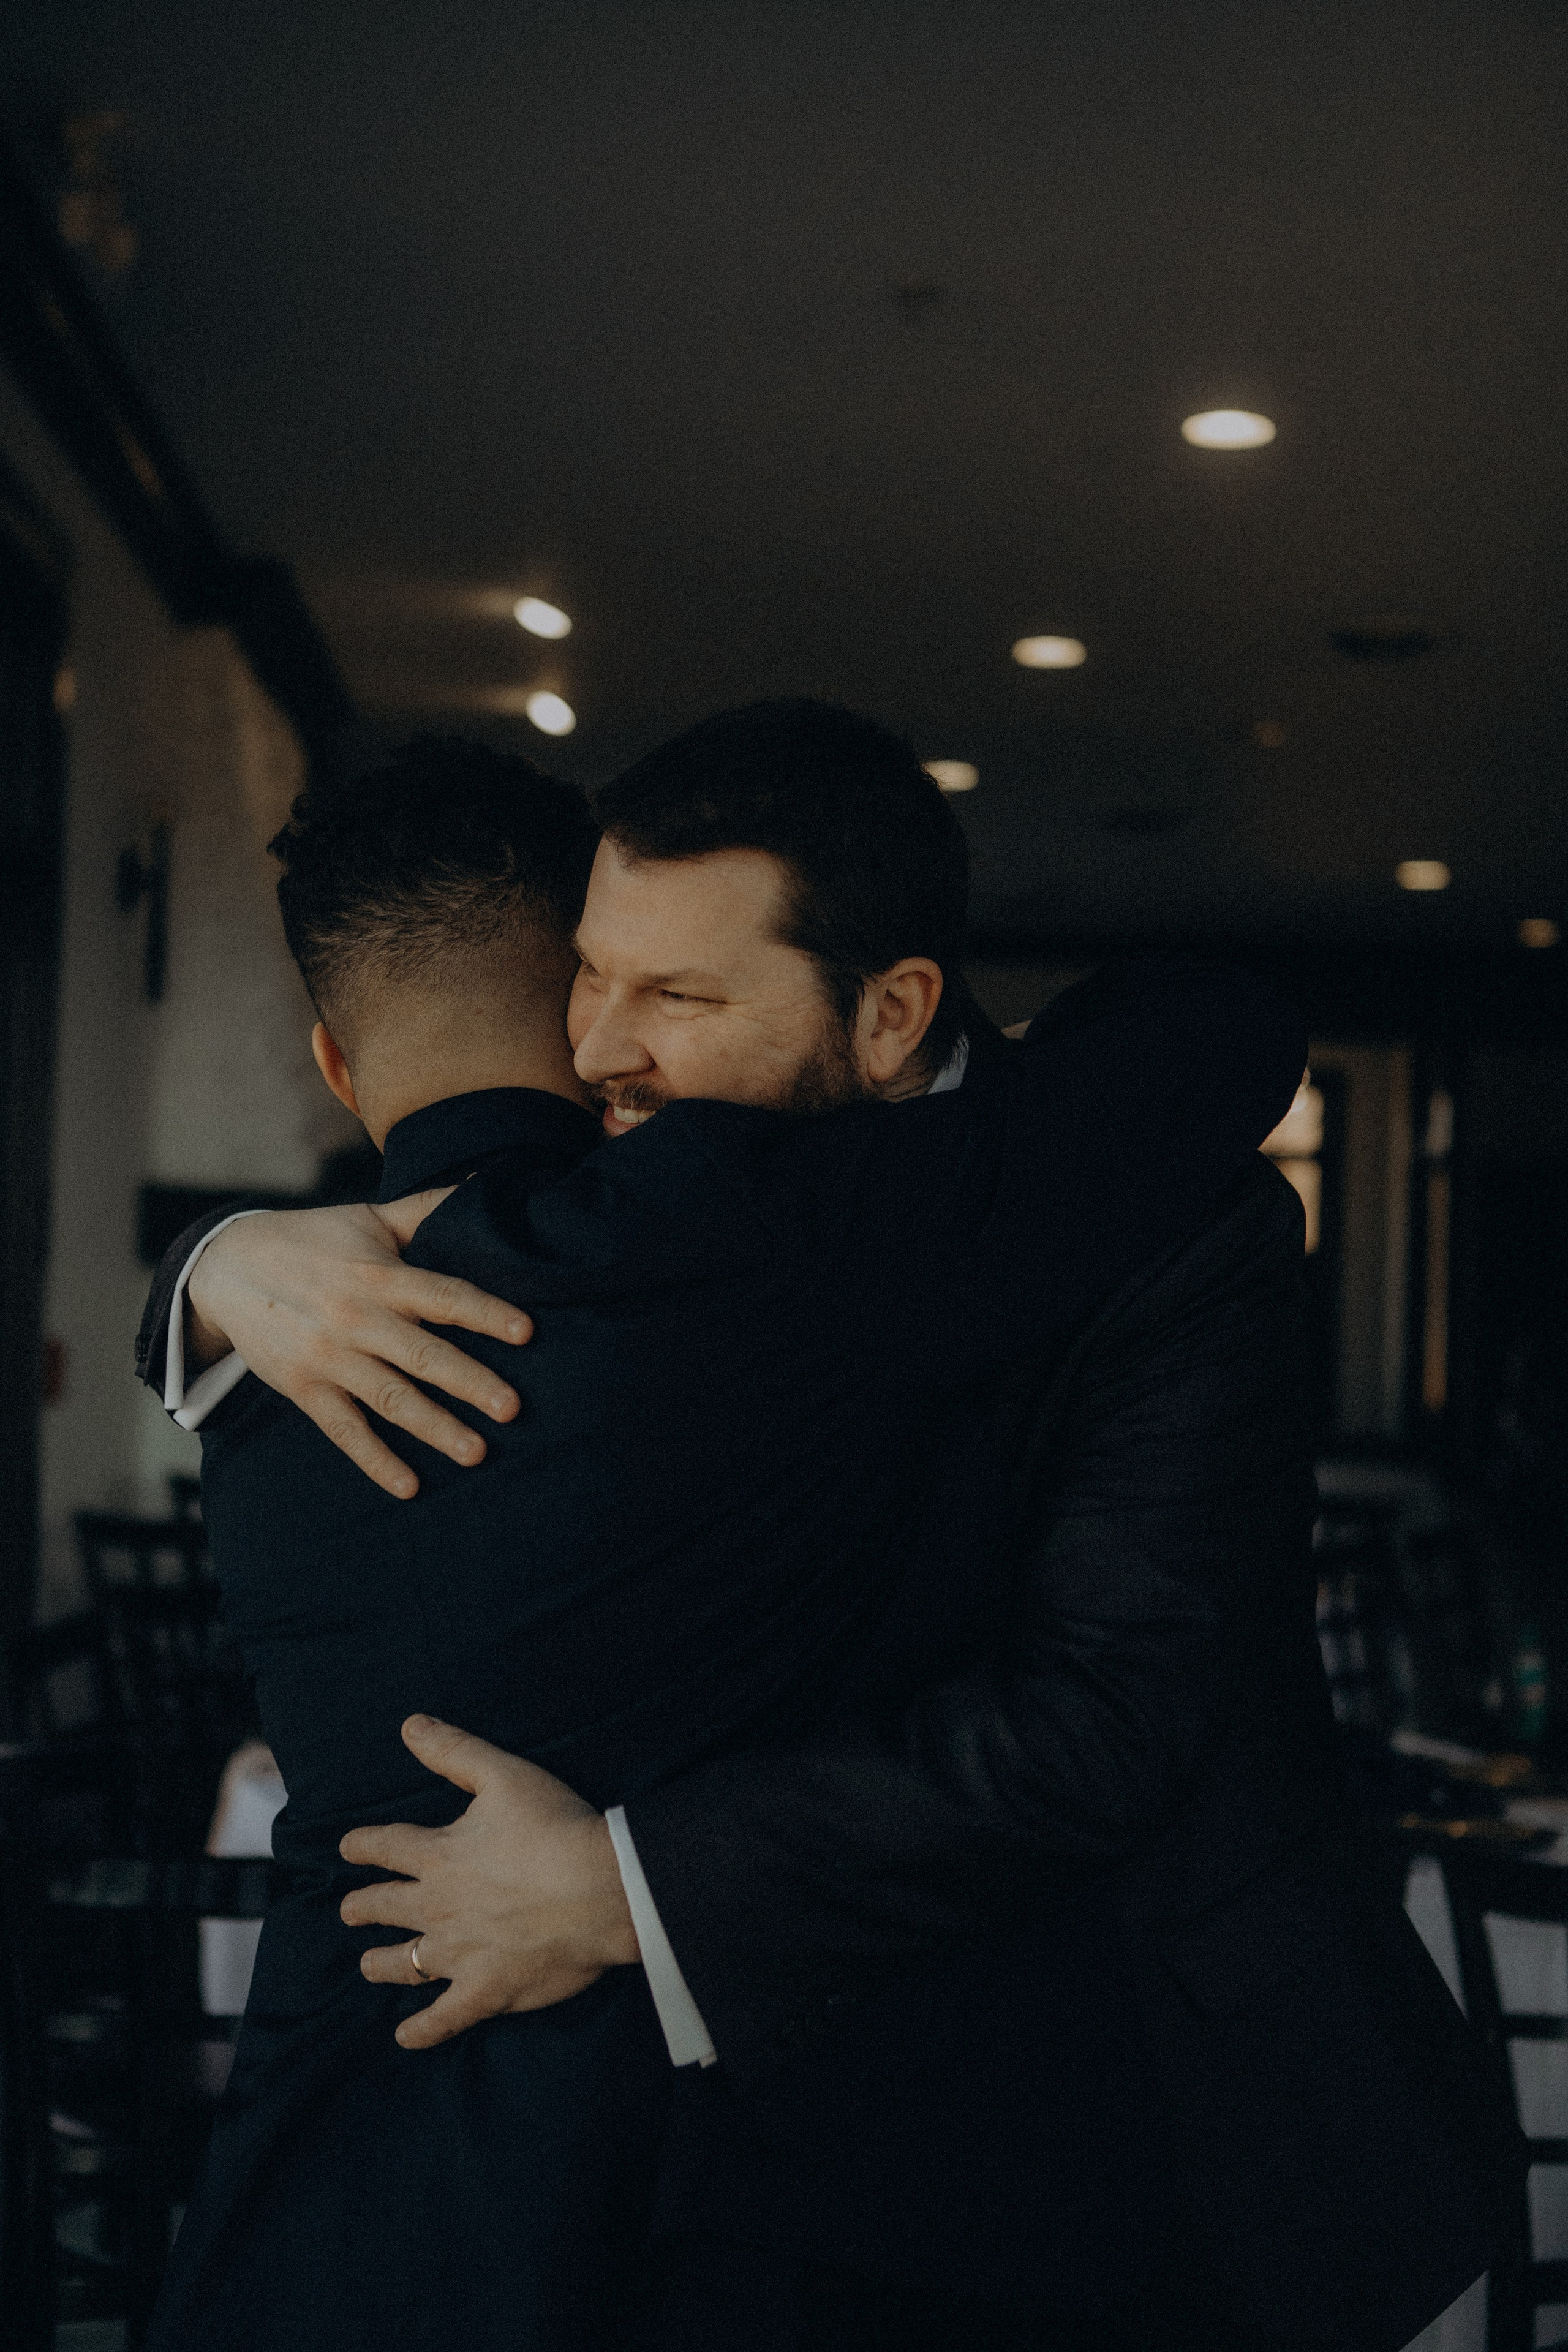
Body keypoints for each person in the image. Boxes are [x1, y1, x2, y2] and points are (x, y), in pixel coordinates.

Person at [140, 710, 1516, 2350]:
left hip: (1165, 2097)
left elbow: (1101, 1721)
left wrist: (617, 1888)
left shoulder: (1164, 1215)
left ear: (890, 1017)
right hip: (804, 2156)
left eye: (680, 998)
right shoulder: (629, 1224)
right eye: (589, 973)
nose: (588, 1053)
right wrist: (209, 1273)